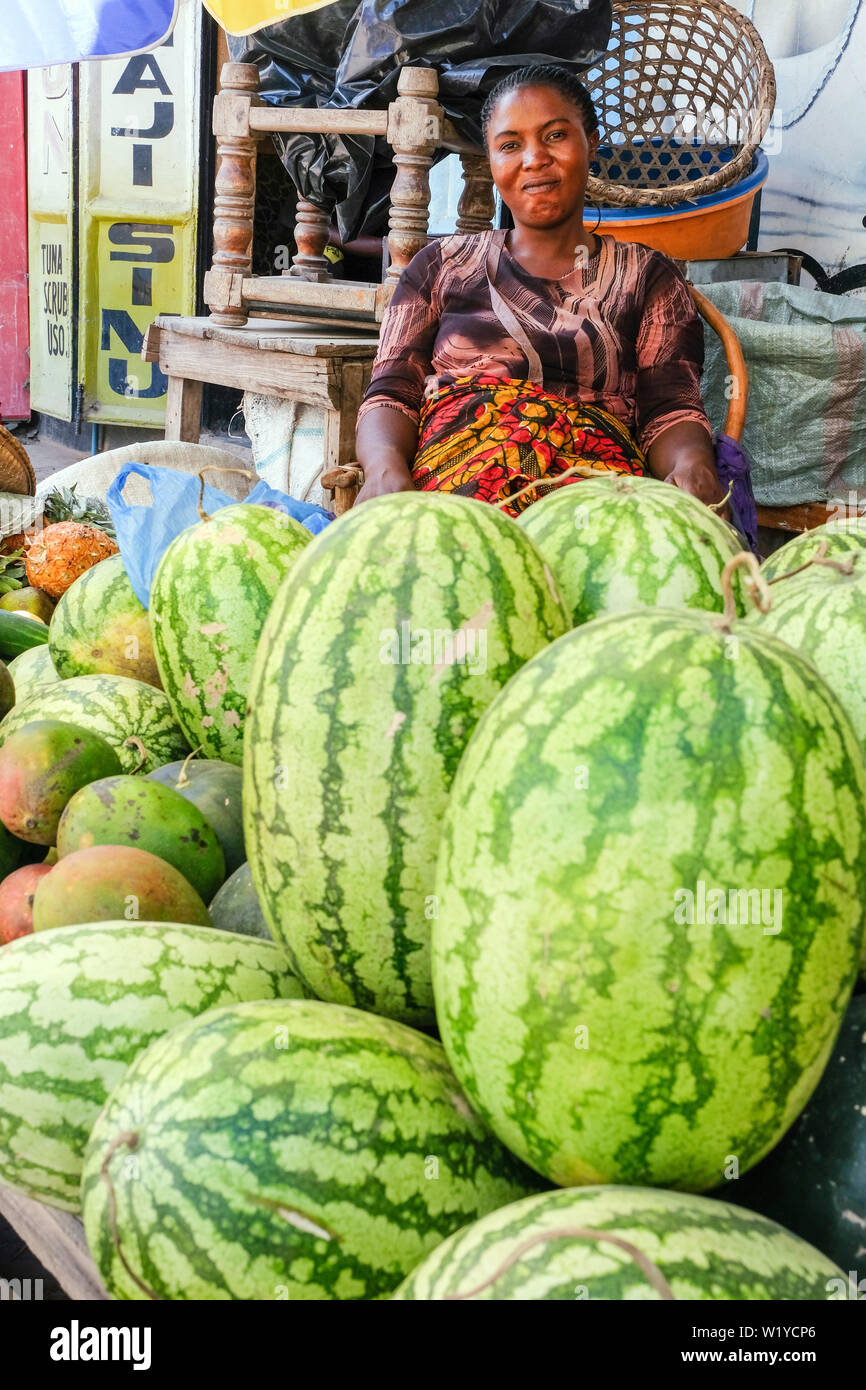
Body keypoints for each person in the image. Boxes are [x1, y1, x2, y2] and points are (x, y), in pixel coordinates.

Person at [354, 64, 726, 515]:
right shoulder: (439, 266)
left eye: (554, 136)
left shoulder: (647, 276)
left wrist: (692, 464)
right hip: (454, 494)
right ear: (490, 160)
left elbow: (670, 408)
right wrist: (384, 469)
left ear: (589, 140)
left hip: (593, 496)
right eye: (510, 145)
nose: (534, 159)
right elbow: (391, 392)